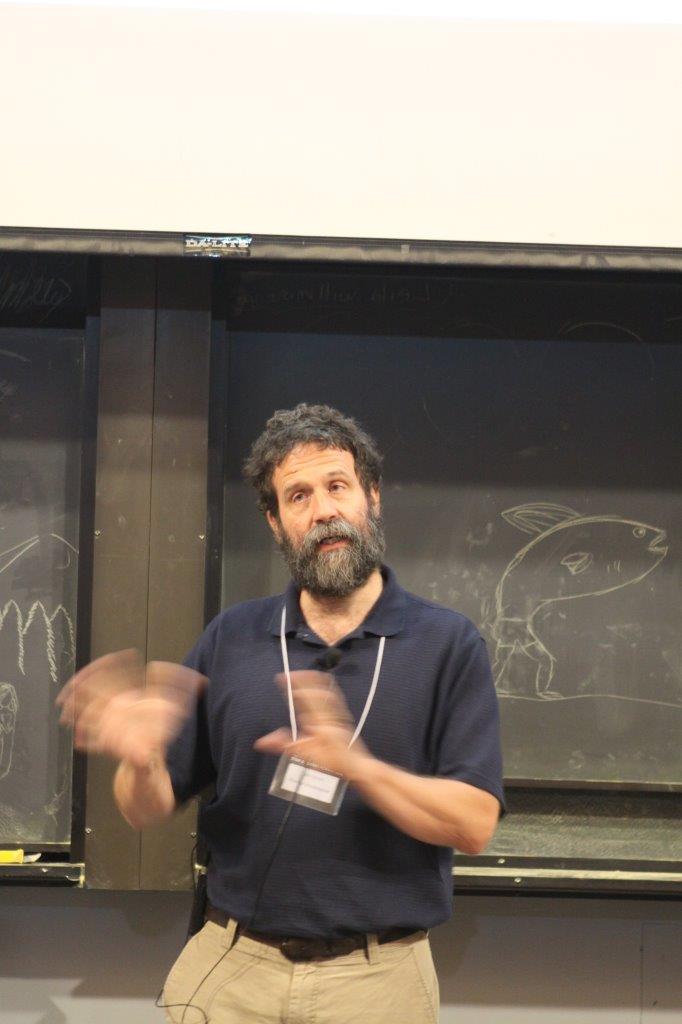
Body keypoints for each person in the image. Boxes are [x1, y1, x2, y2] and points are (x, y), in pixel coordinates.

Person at [58, 403, 504, 1024]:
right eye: (298, 496)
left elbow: (475, 825)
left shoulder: (447, 644)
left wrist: (359, 768)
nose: (323, 510)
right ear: (275, 521)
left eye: (337, 486)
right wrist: (139, 759)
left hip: (378, 978)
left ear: (372, 496)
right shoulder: (232, 637)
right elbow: (146, 808)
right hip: (233, 964)